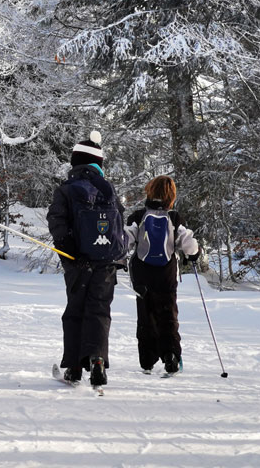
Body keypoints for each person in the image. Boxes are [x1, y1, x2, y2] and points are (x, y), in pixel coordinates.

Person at [46, 131, 126, 387]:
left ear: (75, 162)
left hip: (77, 263)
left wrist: (70, 253)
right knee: (99, 311)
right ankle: (97, 361)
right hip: (106, 264)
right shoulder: (109, 189)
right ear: (98, 164)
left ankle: (73, 369)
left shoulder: (66, 189)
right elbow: (119, 227)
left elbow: (57, 223)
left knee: (75, 312)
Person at [125, 175, 200, 375]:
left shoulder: (138, 216)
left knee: (146, 315)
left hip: (142, 274)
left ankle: (147, 361)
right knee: (167, 315)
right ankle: (171, 356)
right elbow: (189, 245)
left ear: (150, 191)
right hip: (166, 274)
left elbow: (126, 240)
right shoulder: (175, 218)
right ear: (171, 196)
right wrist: (194, 254)